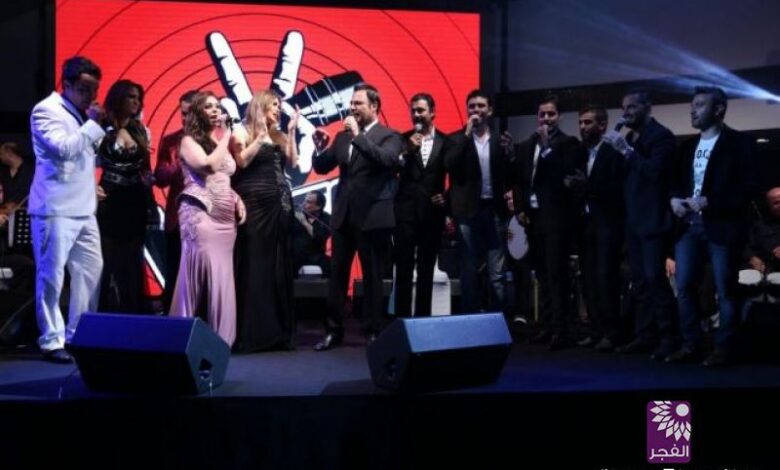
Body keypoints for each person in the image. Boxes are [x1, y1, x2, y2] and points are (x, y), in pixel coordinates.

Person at [666, 86, 759, 366]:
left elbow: (749, 187)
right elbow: (674, 183)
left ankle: (724, 347)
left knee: (725, 289)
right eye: (692, 105)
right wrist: (674, 200)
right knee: (684, 287)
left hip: (722, 226)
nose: (692, 110)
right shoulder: (687, 147)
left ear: (719, 109)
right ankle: (691, 344)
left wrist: (710, 201)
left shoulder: (740, 143)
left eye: (700, 105)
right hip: (689, 226)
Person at [311, 84, 403, 350]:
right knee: (337, 276)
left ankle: (373, 330)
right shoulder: (342, 138)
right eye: (351, 103)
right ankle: (333, 331)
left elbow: (386, 160)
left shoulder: (389, 135)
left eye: (358, 103)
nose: (352, 108)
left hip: (372, 216)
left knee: (372, 276)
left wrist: (358, 136)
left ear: (374, 106)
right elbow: (322, 166)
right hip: (343, 216)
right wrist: (319, 149)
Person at [28, 56, 105, 363]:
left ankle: (79, 334)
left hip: (84, 208)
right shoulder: (46, 110)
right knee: (51, 277)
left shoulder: (80, 113)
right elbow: (64, 149)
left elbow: (85, 155)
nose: (91, 96)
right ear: (67, 84)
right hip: (55, 209)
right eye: (85, 89)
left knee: (90, 272)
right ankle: (51, 340)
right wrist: (93, 124)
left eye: (94, 90)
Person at [603, 88, 678, 361]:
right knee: (640, 282)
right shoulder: (629, 138)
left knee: (655, 280)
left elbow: (654, 173)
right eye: (624, 108)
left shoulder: (661, 136)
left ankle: (669, 338)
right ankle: (645, 336)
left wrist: (626, 150)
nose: (626, 113)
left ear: (648, 107)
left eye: (632, 107)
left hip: (653, 219)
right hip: (633, 220)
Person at [169, 91, 246, 346]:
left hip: (225, 218)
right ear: (197, 113)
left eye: (217, 106)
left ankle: (221, 340)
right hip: (200, 212)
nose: (215, 110)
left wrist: (235, 197)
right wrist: (227, 135)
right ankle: (179, 337)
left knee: (223, 276)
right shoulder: (188, 140)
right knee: (195, 274)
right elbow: (208, 166)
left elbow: (223, 177)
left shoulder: (217, 140)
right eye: (209, 107)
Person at [511, 95, 587, 349]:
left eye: (551, 114)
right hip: (533, 218)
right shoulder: (526, 145)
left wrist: (546, 148)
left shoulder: (569, 144)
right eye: (542, 114)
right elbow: (519, 181)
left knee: (557, 274)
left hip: (556, 217)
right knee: (541, 274)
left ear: (559, 116)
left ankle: (560, 329)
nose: (546, 119)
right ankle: (545, 324)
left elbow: (565, 175)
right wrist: (520, 209)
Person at [230, 89, 298, 352]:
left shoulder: (278, 135)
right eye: (273, 105)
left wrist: (291, 131)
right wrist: (259, 137)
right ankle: (253, 333)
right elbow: (242, 162)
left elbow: (292, 162)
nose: (278, 110)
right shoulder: (241, 132)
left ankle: (279, 333)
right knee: (255, 264)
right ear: (260, 106)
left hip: (280, 203)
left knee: (278, 265)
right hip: (255, 205)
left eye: (279, 106)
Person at [445, 89, 512, 314]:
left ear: (489, 110)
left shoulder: (499, 140)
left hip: (494, 210)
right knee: (468, 270)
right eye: (472, 106)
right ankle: (470, 320)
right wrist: (466, 136)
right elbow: (450, 166)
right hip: (466, 212)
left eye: (481, 106)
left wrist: (511, 154)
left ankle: (497, 319)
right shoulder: (456, 139)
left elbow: (509, 174)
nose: (476, 110)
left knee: (497, 273)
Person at [96, 79, 154, 313]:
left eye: (138, 98)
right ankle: (101, 316)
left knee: (132, 260)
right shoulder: (99, 126)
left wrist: (149, 191)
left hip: (134, 198)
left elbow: (146, 168)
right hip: (109, 197)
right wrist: (88, 186)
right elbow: (82, 159)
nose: (136, 101)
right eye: (131, 96)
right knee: (106, 260)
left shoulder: (141, 129)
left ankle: (133, 314)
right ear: (118, 98)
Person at [393, 93, 450, 317]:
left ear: (432, 112)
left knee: (426, 271)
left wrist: (447, 197)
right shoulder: (402, 139)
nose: (416, 114)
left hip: (432, 214)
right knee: (404, 270)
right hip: (405, 213)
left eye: (421, 110)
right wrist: (407, 151)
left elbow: (458, 174)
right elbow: (391, 170)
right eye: (413, 110)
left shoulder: (445, 141)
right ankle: (401, 321)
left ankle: (423, 321)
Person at [575, 105, 625, 351]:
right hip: (585, 223)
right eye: (581, 123)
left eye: (588, 122)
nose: (583, 127)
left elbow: (617, 190)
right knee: (588, 279)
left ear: (602, 125)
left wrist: (587, 186)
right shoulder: (581, 153)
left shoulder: (612, 152)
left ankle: (611, 332)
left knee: (606, 279)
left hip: (607, 224)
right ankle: (595, 330)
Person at [154, 90, 198, 313]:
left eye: (190, 113)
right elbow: (161, 178)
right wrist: (179, 163)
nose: (185, 118)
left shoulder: (215, 142)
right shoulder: (171, 142)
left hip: (207, 217)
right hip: (178, 218)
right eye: (183, 113)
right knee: (175, 272)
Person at [0, 143, 35, 293]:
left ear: (10, 153)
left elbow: (31, 192)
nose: (0, 157)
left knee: (26, 257)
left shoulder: (31, 170)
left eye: (2, 154)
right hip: (5, 215)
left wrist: (17, 206)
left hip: (23, 212)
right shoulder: (3, 172)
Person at [291, 190, 331, 276]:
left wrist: (305, 222)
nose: (304, 204)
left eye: (308, 202)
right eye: (305, 201)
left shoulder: (326, 219)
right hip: (297, 255)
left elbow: (319, 237)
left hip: (316, 255)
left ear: (318, 206)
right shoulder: (296, 216)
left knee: (330, 263)